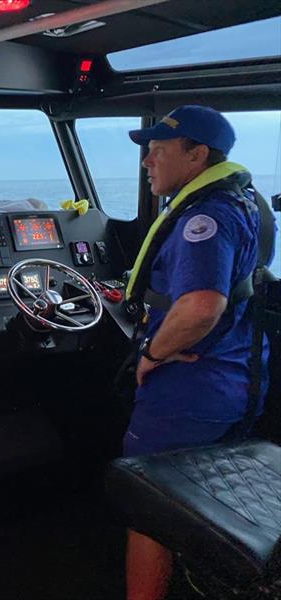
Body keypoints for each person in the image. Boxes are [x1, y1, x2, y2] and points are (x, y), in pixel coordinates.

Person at [122, 105, 276, 600]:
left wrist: (152, 353)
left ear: (197, 156)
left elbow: (201, 307)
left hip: (193, 387)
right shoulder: (246, 202)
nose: (147, 162)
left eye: (158, 151)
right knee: (199, 490)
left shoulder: (203, 217)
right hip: (239, 372)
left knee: (147, 502)